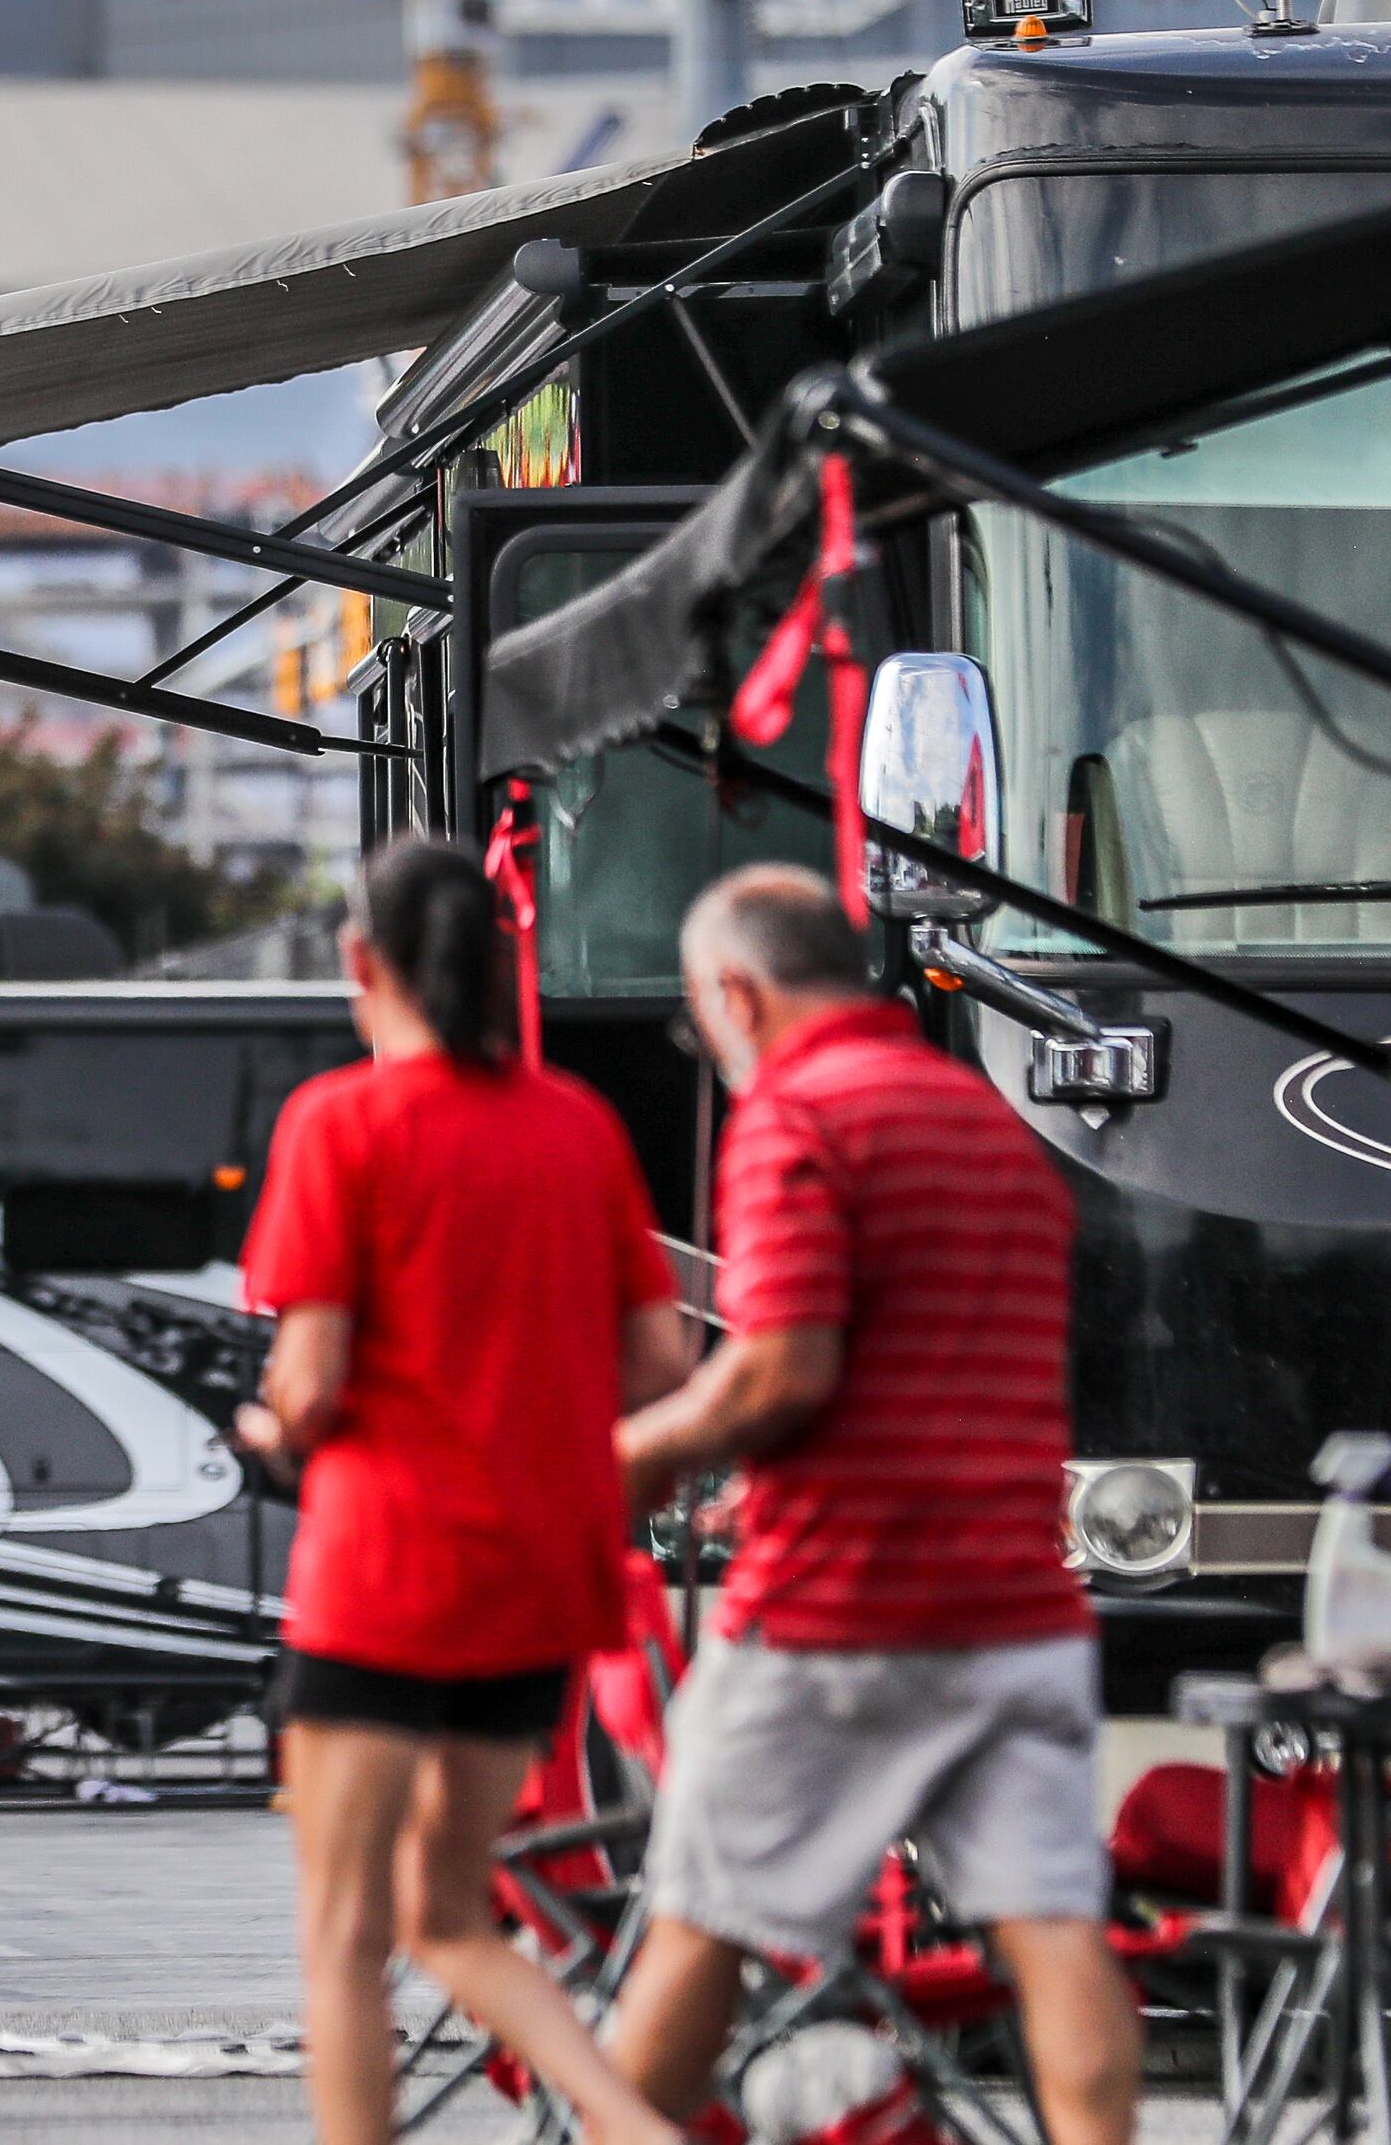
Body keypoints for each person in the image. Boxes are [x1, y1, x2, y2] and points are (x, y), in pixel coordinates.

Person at [609, 865, 1140, 2145]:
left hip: (839, 1615)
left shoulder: (800, 1116)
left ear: (736, 991)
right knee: (1057, 1936)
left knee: (704, 1920)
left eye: (700, 1015)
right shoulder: (983, 1120)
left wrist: (624, 1462)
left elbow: (783, 1364)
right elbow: (930, 1366)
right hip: (1018, 1607)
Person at [233, 837, 690, 2145]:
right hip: (538, 1585)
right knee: (450, 1914)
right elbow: (663, 1361)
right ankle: (638, 2130)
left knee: (345, 1933)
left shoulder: (341, 1123)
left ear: (358, 962)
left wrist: (271, 1419)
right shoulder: (575, 1126)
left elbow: (310, 1384)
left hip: (381, 1580)